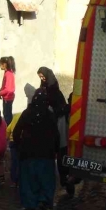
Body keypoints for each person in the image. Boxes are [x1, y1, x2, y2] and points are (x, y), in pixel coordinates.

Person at [13, 88, 59, 210]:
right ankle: (43, 200)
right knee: (45, 179)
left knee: (28, 181)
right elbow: (56, 134)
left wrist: (19, 146)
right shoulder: (49, 115)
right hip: (46, 154)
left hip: (28, 153)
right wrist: (56, 149)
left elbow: (17, 131)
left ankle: (30, 204)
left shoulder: (27, 113)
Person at [37, 67, 74, 196]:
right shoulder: (45, 89)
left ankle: (65, 179)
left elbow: (60, 108)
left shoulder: (55, 92)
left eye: (43, 77)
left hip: (59, 123)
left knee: (61, 152)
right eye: (40, 77)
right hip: (51, 123)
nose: (42, 79)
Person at [0, 56, 16, 125]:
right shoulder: (8, 73)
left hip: (7, 98)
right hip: (7, 97)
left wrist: (0, 93)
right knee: (7, 114)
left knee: (7, 115)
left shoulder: (8, 74)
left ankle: (9, 131)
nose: (0, 66)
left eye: (0, 64)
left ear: (4, 64)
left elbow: (8, 89)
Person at [7, 112, 22, 187]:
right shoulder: (24, 117)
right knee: (21, 161)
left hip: (13, 142)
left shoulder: (15, 117)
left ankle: (13, 180)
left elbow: (8, 129)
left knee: (14, 161)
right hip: (22, 141)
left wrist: (6, 138)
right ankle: (20, 180)